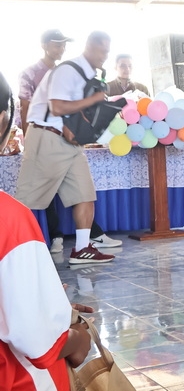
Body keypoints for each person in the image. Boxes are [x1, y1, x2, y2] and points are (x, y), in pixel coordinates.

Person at [0, 71, 94, 390]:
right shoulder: (9, 219)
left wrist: (48, 302)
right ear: (3, 122)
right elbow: (38, 340)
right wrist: (77, 339)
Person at [15, 31, 117, 264]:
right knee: (25, 201)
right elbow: (58, 107)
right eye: (102, 50)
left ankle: (82, 249)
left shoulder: (87, 75)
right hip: (47, 138)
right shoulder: (68, 70)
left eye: (107, 51)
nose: (105, 56)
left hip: (71, 143)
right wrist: (95, 99)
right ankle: (8, 250)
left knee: (85, 194)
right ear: (90, 47)